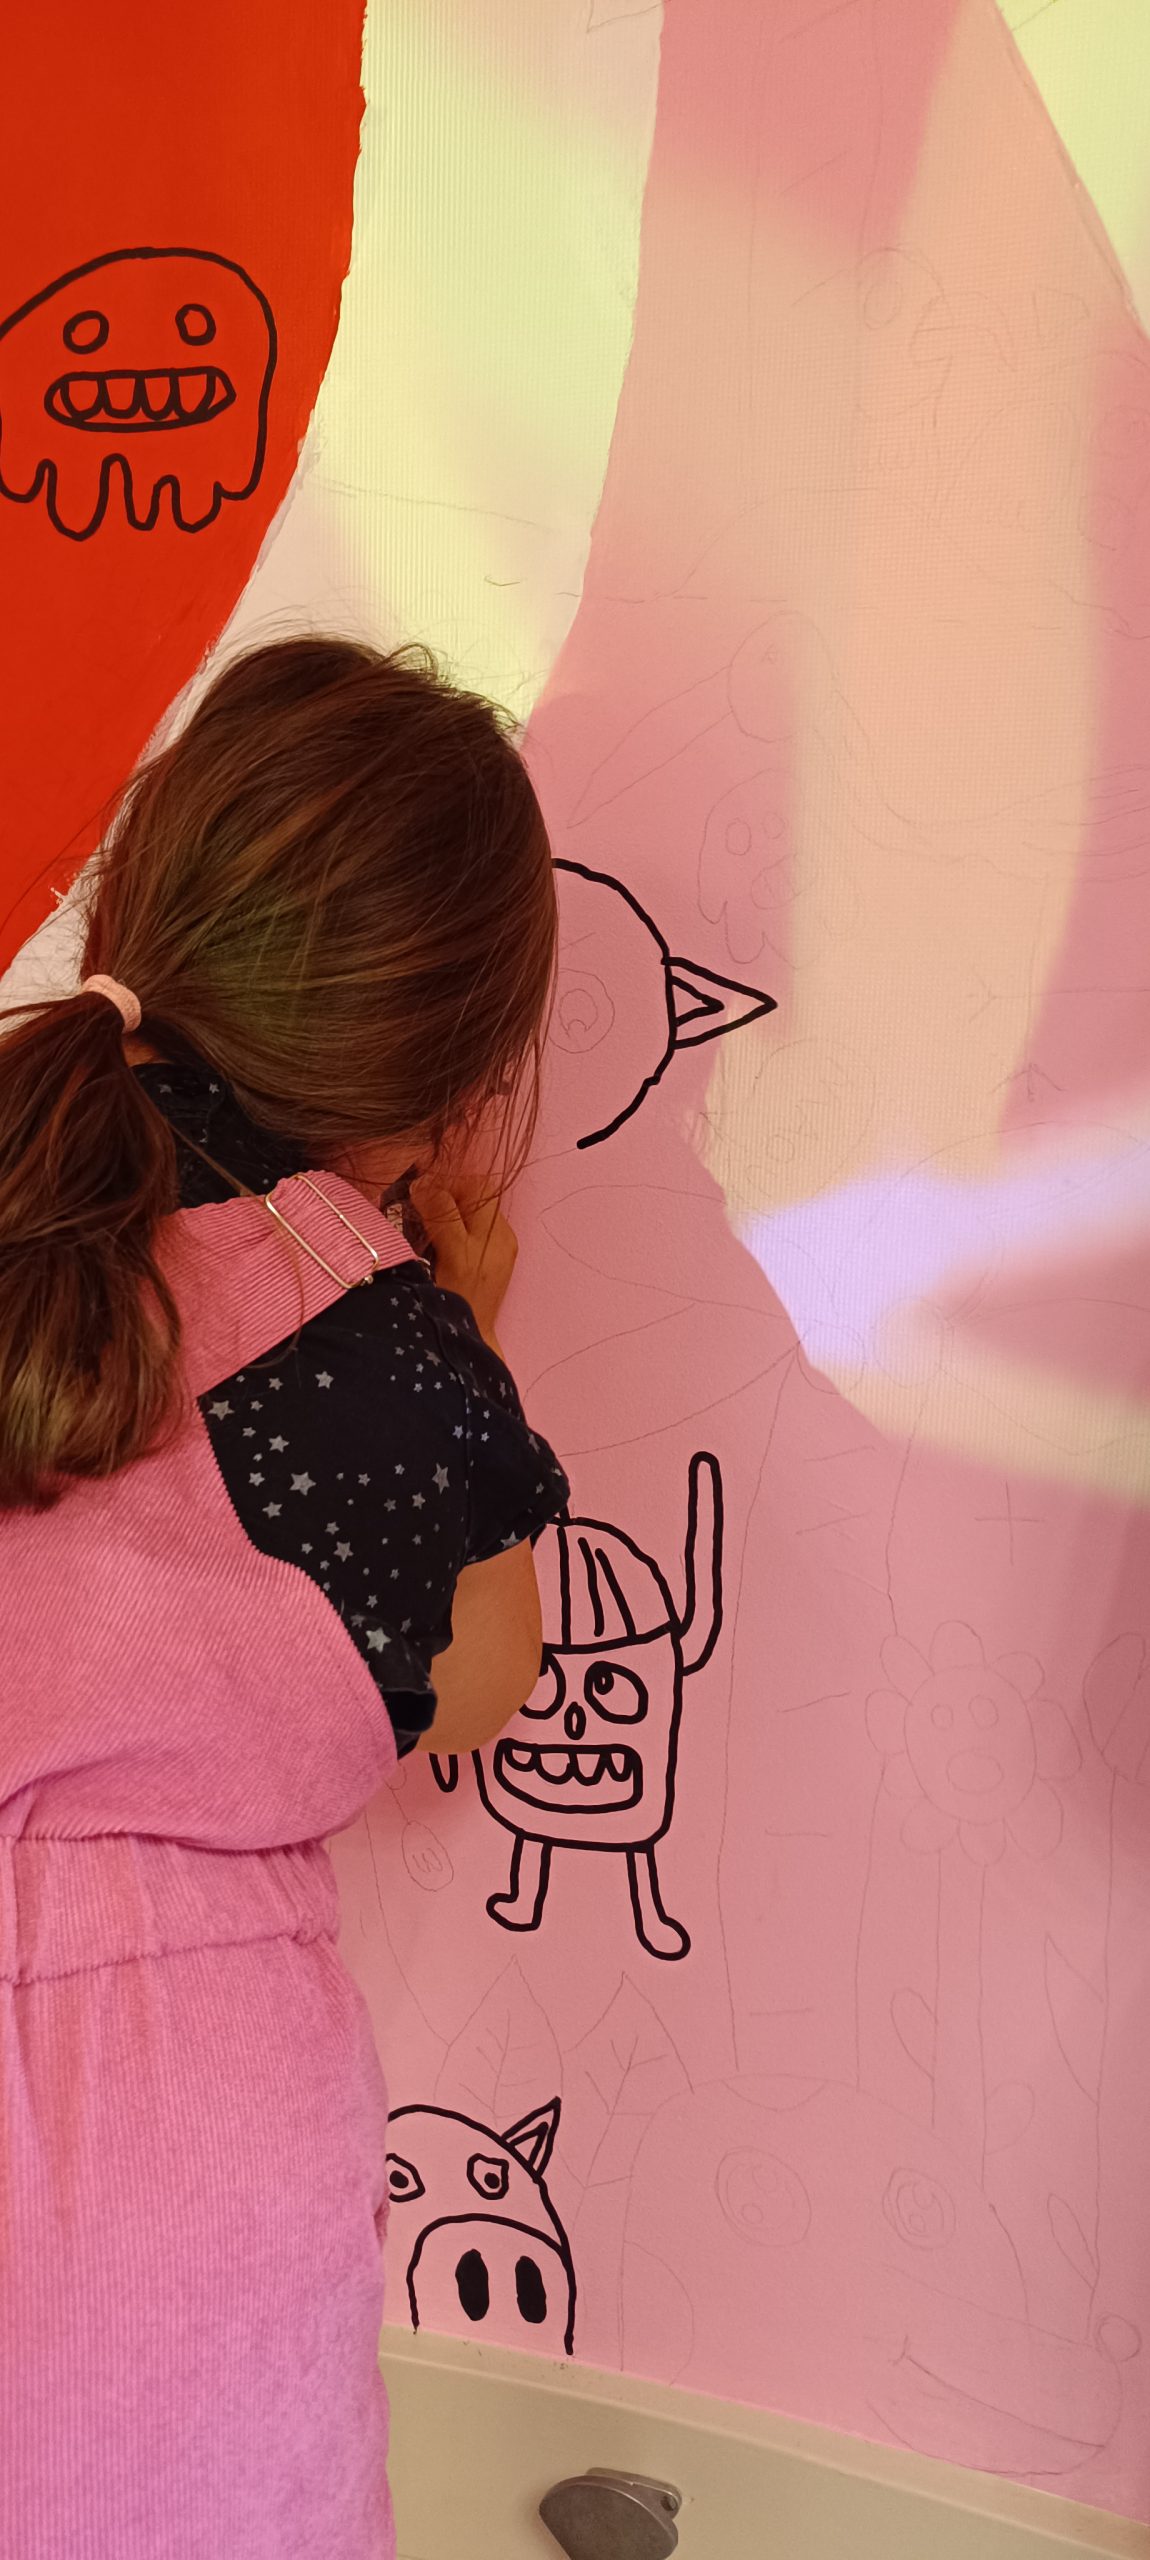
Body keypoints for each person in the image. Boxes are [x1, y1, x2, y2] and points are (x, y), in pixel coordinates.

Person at [0, 635, 570, 2557]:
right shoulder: (378, 1333)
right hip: (180, 2117)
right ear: (445, 1087)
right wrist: (463, 1341)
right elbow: (476, 1681)